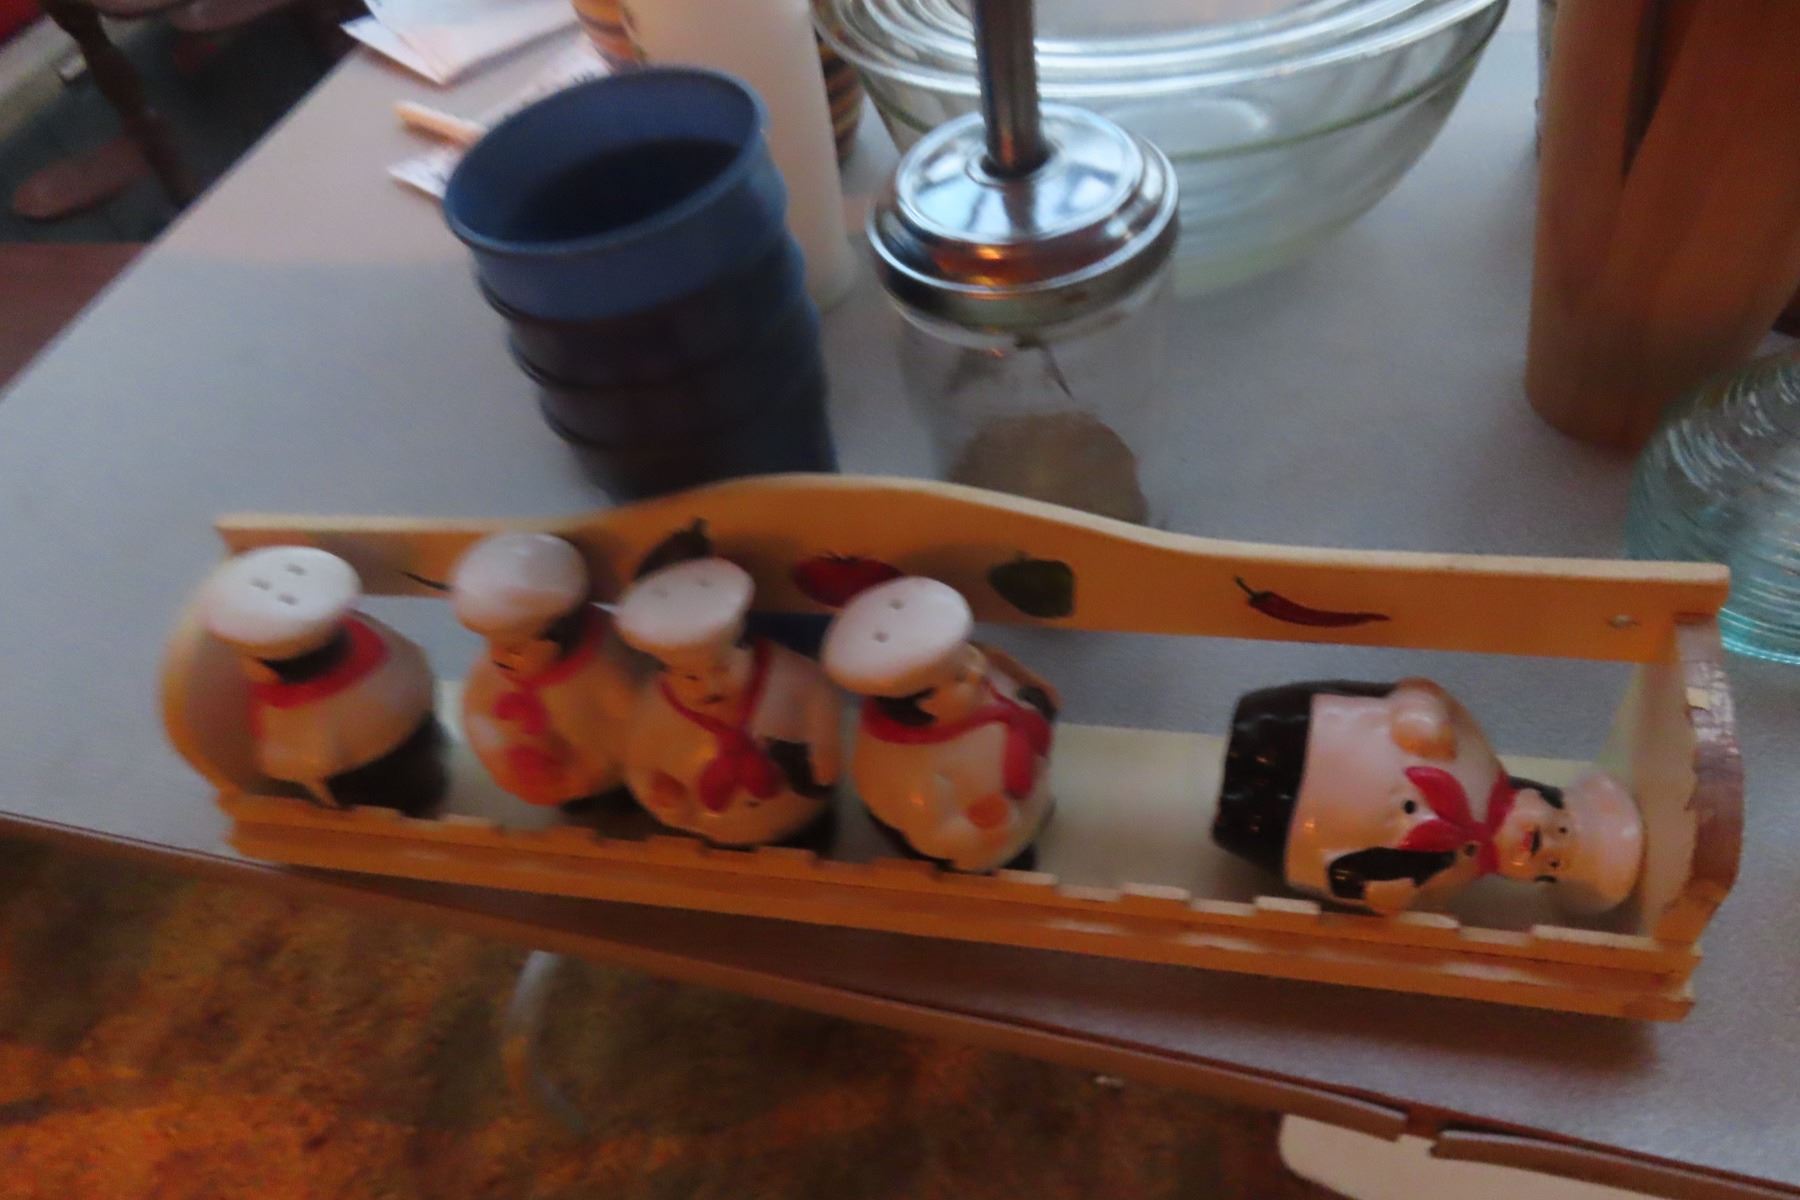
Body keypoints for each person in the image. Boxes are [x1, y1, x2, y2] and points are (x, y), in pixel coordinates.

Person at [1215, 679, 1642, 914]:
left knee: (1243, 822)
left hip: (1293, 831)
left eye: (1552, 866)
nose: (1546, 847)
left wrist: (1380, 895)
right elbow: (1422, 690)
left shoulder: (1449, 878)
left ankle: (1237, 820)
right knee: (1260, 735)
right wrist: (1419, 710)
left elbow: (1375, 896)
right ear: (1539, 794)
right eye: (1562, 830)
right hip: (1319, 734)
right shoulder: (1474, 751)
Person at [822, 576, 1057, 873]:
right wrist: (989, 826)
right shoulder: (916, 771)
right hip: (985, 840)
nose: (977, 671)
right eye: (960, 677)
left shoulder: (985, 688)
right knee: (995, 860)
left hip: (1029, 797)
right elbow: (932, 835)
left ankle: (1035, 820)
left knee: (1032, 815)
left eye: (970, 653)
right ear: (921, 707)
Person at [198, 545, 443, 815]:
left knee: (382, 795)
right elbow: (416, 662)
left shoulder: (298, 706)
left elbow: (301, 760)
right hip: (408, 747)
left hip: (373, 774)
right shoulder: (370, 635)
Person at [613, 557, 839, 845]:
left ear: (744, 648)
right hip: (706, 824)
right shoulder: (656, 706)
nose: (711, 687)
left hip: (796, 813)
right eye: (690, 678)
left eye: (723, 669)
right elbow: (638, 761)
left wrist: (824, 746)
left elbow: (820, 696)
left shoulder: (790, 674)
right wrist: (657, 792)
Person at [452, 532, 639, 808]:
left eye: (515, 649)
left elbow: (628, 730)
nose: (496, 657)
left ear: (559, 633)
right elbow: (476, 711)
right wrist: (497, 753)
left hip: (600, 780)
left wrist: (586, 774)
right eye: (491, 643)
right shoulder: (492, 669)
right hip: (536, 779)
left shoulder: (608, 671)